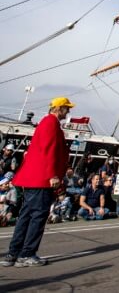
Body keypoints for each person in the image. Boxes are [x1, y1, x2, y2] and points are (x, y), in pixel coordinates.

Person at [1, 97, 73, 267]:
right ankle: (27, 254)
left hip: (35, 178)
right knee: (37, 217)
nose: (68, 112)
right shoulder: (50, 123)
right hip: (42, 179)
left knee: (26, 216)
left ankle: (13, 253)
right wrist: (52, 175)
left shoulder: (46, 122)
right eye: (66, 108)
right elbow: (48, 150)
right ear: (59, 108)